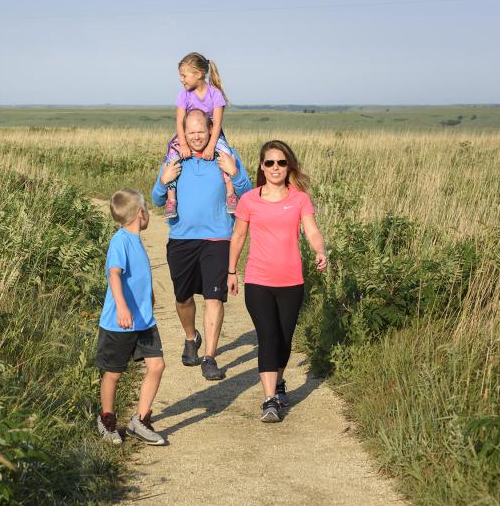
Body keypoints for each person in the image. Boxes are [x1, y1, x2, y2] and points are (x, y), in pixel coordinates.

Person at [227, 140, 327, 422]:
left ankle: (279, 382)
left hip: (291, 281)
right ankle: (269, 400)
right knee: (268, 337)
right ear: (261, 166)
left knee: (284, 340)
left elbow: (312, 231)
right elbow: (238, 237)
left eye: (281, 163)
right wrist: (231, 271)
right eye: (269, 163)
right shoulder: (249, 200)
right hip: (258, 281)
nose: (275, 168)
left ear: (288, 166)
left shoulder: (299, 199)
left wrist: (321, 251)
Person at [152, 109, 253, 380]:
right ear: (183, 133)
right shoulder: (175, 159)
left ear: (211, 130)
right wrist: (163, 181)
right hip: (181, 239)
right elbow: (157, 199)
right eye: (191, 132)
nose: (197, 137)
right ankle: (190, 336)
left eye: (201, 131)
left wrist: (235, 172)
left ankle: (209, 357)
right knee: (182, 298)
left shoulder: (225, 155)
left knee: (213, 297)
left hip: (218, 238)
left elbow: (248, 194)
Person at [95, 189, 166, 446]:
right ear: (141, 213)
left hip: (144, 320)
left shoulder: (136, 240)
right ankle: (107, 418)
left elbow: (138, 279)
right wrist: (123, 308)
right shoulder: (121, 240)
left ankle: (140, 420)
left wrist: (150, 299)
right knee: (113, 373)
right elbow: (114, 274)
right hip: (120, 322)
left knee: (156, 366)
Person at [163, 52, 240, 219]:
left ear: (198, 74)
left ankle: (230, 195)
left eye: (184, 75)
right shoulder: (183, 95)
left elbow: (217, 124)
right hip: (187, 134)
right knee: (171, 158)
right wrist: (183, 144)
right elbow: (179, 122)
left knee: (226, 155)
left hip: (213, 134)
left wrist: (211, 146)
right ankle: (171, 199)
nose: (181, 79)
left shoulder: (215, 94)